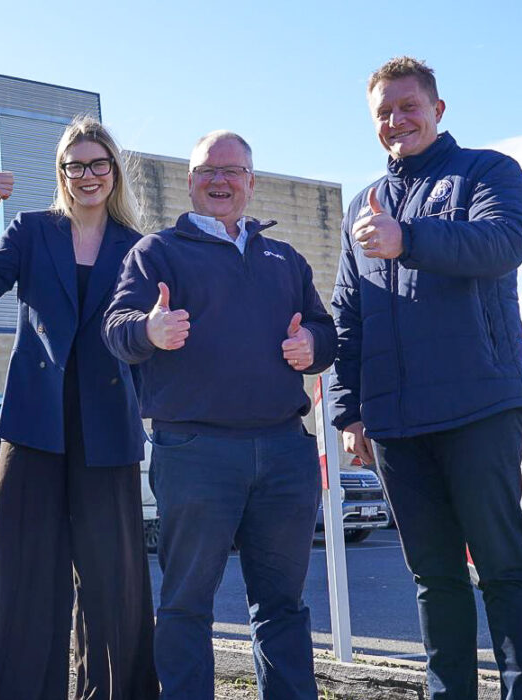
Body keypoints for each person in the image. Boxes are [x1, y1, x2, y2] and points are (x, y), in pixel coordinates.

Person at [103, 131, 336, 700]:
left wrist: (313, 343)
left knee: (283, 605)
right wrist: (149, 330)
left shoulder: (285, 258)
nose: (220, 181)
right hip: (196, 452)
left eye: (233, 171)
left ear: (251, 183)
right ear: (190, 181)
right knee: (186, 602)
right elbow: (116, 329)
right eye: (208, 170)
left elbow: (327, 332)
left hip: (284, 450)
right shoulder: (157, 253)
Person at [328, 56, 522, 699]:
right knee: (433, 577)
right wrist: (350, 412)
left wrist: (406, 235)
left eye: (407, 106)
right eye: (383, 112)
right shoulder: (362, 205)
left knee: (504, 568)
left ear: (438, 111)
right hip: (395, 427)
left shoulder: (488, 172)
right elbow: (348, 315)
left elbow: (502, 243)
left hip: (480, 409)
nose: (396, 120)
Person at [0, 116, 158, 700]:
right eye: (75, 166)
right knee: (14, 567)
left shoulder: (139, 247)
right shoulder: (32, 229)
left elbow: (151, 331)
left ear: (113, 170)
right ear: (60, 174)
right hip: (35, 422)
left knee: (112, 577)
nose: (87, 176)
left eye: (98, 165)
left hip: (108, 426)